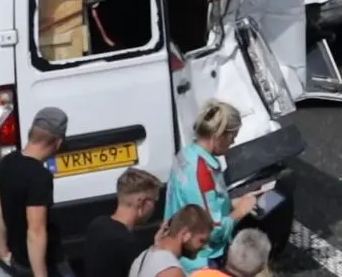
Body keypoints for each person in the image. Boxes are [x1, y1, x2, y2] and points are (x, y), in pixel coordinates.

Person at [166, 101, 259, 274]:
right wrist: (240, 211)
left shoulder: (185, 155)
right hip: (200, 260)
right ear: (220, 135)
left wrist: (231, 203)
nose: (233, 142)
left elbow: (196, 201)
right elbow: (212, 230)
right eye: (232, 136)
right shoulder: (203, 171)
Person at [0, 107, 71, 277]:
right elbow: (36, 231)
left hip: (17, 262)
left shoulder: (6, 163)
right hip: (41, 265)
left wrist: (2, 253)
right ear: (58, 142)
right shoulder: (39, 177)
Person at [84, 168, 162, 277]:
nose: (154, 206)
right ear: (142, 202)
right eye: (154, 200)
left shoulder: (97, 225)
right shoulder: (129, 244)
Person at [128, 206, 214, 277]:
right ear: (184, 233)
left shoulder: (143, 257)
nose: (205, 246)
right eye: (202, 240)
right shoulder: (171, 271)